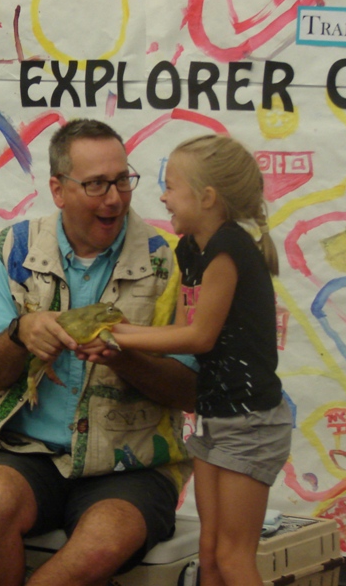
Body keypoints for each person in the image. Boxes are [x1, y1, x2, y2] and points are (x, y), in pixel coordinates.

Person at [0, 118, 199, 586]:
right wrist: (20, 333)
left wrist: (123, 356)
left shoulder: (171, 259)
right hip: (28, 452)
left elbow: (190, 391)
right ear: (58, 189)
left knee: (103, 543)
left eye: (122, 180)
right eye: (96, 184)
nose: (114, 198)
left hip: (131, 465)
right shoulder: (12, 249)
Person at [111, 134, 293, 586]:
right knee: (209, 556)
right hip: (216, 415)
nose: (163, 197)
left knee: (232, 558)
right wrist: (116, 336)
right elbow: (178, 330)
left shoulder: (229, 249)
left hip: (250, 421)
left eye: (171, 187)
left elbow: (199, 336)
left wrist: (120, 337)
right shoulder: (190, 248)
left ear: (207, 197)